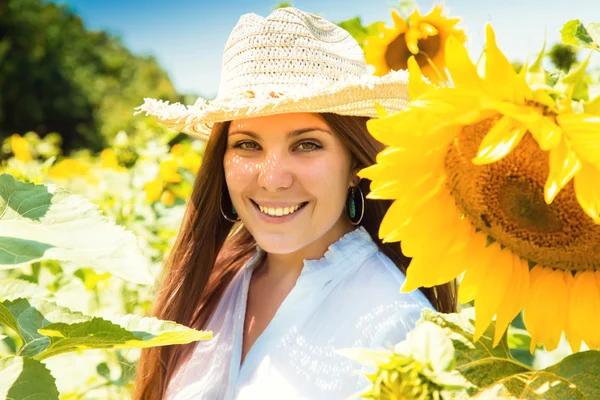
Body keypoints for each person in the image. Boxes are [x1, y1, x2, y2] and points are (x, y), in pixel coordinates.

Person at [133, 7, 456, 400]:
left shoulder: (399, 325)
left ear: (355, 163)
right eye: (248, 145)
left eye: (306, 144)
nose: (272, 178)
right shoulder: (213, 281)